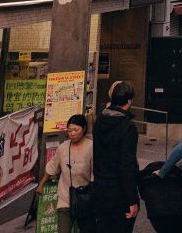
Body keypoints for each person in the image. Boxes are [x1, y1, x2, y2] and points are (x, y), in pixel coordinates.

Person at [93, 80, 140, 233]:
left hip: (100, 187)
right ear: (129, 101)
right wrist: (132, 199)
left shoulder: (99, 120)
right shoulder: (128, 127)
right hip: (120, 192)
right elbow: (127, 165)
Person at [37, 114, 94, 233]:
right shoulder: (63, 148)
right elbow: (52, 166)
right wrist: (41, 184)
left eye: (76, 130)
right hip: (65, 197)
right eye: (69, 131)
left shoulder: (91, 147)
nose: (72, 133)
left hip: (85, 198)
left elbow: (96, 173)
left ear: (83, 129)